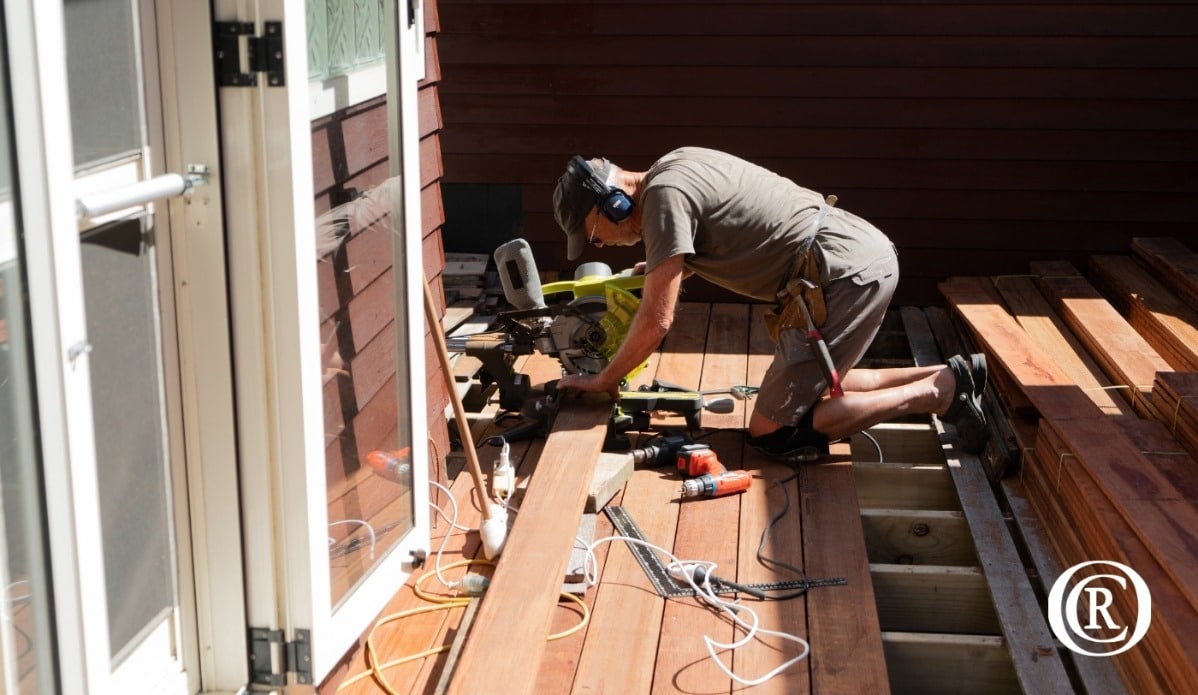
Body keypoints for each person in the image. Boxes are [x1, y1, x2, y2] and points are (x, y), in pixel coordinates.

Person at [552, 146, 989, 458]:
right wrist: (662, 270)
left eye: (594, 235)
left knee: (773, 431)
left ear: (611, 203)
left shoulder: (663, 201)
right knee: (816, 389)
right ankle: (950, 374)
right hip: (852, 257)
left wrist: (604, 379)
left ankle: (937, 393)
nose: (601, 246)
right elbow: (723, 231)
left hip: (839, 275)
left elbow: (656, 321)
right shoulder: (674, 166)